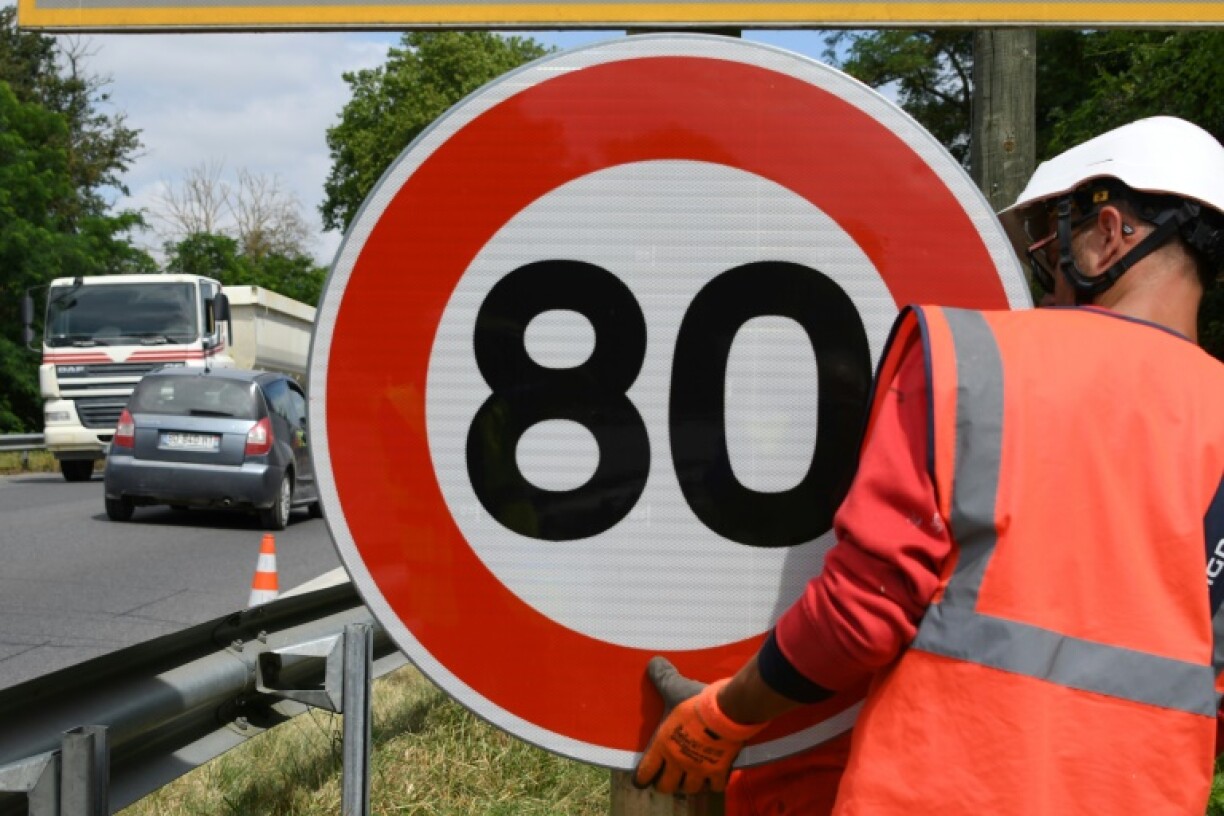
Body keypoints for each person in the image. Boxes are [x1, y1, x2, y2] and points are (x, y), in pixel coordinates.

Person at [632, 115, 1224, 815]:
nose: (1047, 280)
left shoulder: (973, 359)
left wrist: (726, 715)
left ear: (1109, 232)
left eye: (1053, 245)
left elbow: (861, 613)